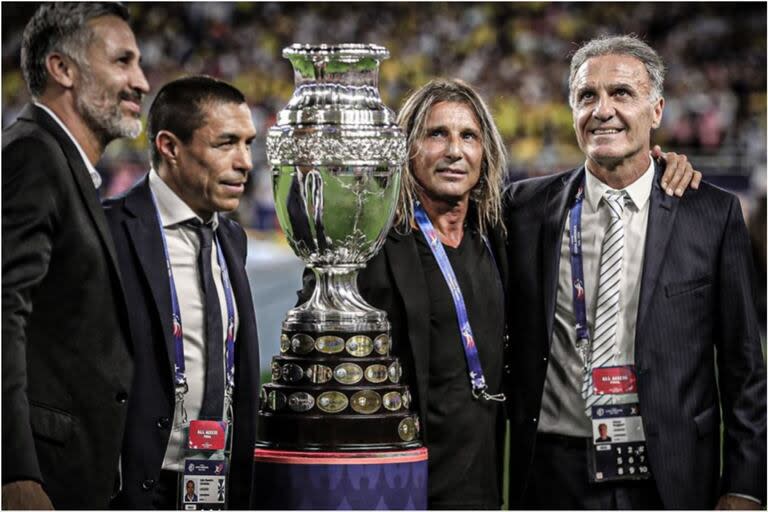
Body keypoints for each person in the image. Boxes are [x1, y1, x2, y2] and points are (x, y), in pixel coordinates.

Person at [297, 79, 698, 509]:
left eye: (468, 136)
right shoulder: (372, 244)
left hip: (483, 489)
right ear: (406, 147)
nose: (455, 150)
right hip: (395, 486)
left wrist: (656, 164)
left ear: (485, 151)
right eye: (437, 134)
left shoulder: (500, 229)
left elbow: (603, 180)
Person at [504, 35, 766, 509]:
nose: (602, 110)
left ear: (657, 109)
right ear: (571, 110)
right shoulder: (523, 209)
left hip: (670, 469)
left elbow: (744, 368)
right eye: (587, 96)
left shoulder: (709, 213)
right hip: (552, 469)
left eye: (621, 93)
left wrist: (745, 485)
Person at [1, 3, 149, 509]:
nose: (142, 82)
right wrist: (13, 468)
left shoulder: (63, 165)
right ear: (62, 69)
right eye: (123, 62)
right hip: (40, 481)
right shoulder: (33, 155)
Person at [103, 76, 261, 509]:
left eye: (248, 143)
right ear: (170, 147)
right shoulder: (106, 231)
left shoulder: (232, 239)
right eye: (226, 143)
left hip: (216, 482)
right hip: (132, 489)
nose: (245, 161)